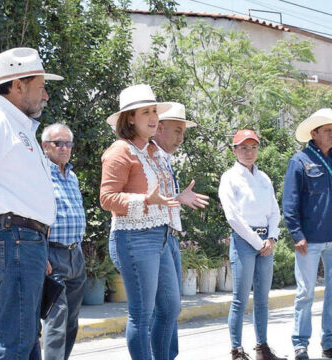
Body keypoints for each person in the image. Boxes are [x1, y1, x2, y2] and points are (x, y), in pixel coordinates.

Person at [0, 47, 63, 359]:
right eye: (41, 86)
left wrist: (36, 245)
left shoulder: (15, 125)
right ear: (17, 85)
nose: (46, 96)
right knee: (14, 345)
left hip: (22, 242)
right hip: (14, 241)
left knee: (22, 342)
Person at [100, 84, 181, 360]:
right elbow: (107, 199)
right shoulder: (120, 151)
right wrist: (145, 200)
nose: (153, 117)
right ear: (130, 118)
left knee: (170, 307)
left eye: (155, 111)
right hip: (133, 237)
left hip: (160, 236)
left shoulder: (151, 151)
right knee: (142, 314)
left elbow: (158, 196)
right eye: (146, 112)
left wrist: (179, 197)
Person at [218, 129, 286, 360]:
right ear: (234, 150)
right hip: (245, 242)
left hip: (266, 242)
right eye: (243, 147)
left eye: (253, 147)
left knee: (262, 299)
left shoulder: (264, 177)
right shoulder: (229, 177)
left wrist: (272, 238)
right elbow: (233, 217)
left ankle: (262, 348)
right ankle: (236, 350)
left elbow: (274, 211)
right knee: (240, 298)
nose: (249, 152)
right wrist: (258, 242)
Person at [152, 102, 209, 359]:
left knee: (170, 308)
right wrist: (179, 197)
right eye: (177, 131)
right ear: (159, 128)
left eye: (183, 132)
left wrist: (178, 197)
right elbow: (150, 199)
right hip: (157, 238)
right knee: (165, 308)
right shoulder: (148, 156)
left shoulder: (165, 159)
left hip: (171, 237)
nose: (181, 138)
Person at [282, 109, 332, 360]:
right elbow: (290, 203)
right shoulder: (299, 160)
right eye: (328, 131)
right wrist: (296, 234)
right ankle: (300, 344)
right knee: (305, 293)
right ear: (314, 134)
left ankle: (329, 342)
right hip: (308, 240)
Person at [41, 123, 87, 360]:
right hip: (52, 255)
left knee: (71, 322)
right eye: (59, 143)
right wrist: (42, 253)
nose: (65, 148)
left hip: (75, 255)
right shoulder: (38, 173)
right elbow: (34, 216)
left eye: (68, 143)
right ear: (45, 146)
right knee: (56, 321)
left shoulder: (72, 176)